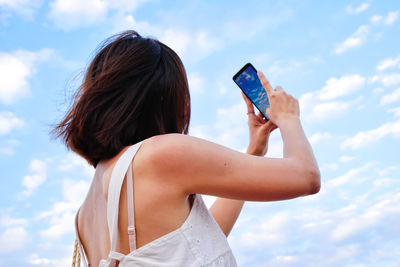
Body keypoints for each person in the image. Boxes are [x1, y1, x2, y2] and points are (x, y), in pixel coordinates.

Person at [54, 30, 320, 267]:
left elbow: (194, 244)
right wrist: (289, 118)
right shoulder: (159, 154)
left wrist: (254, 151)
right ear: (164, 96)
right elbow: (305, 177)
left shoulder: (85, 215)